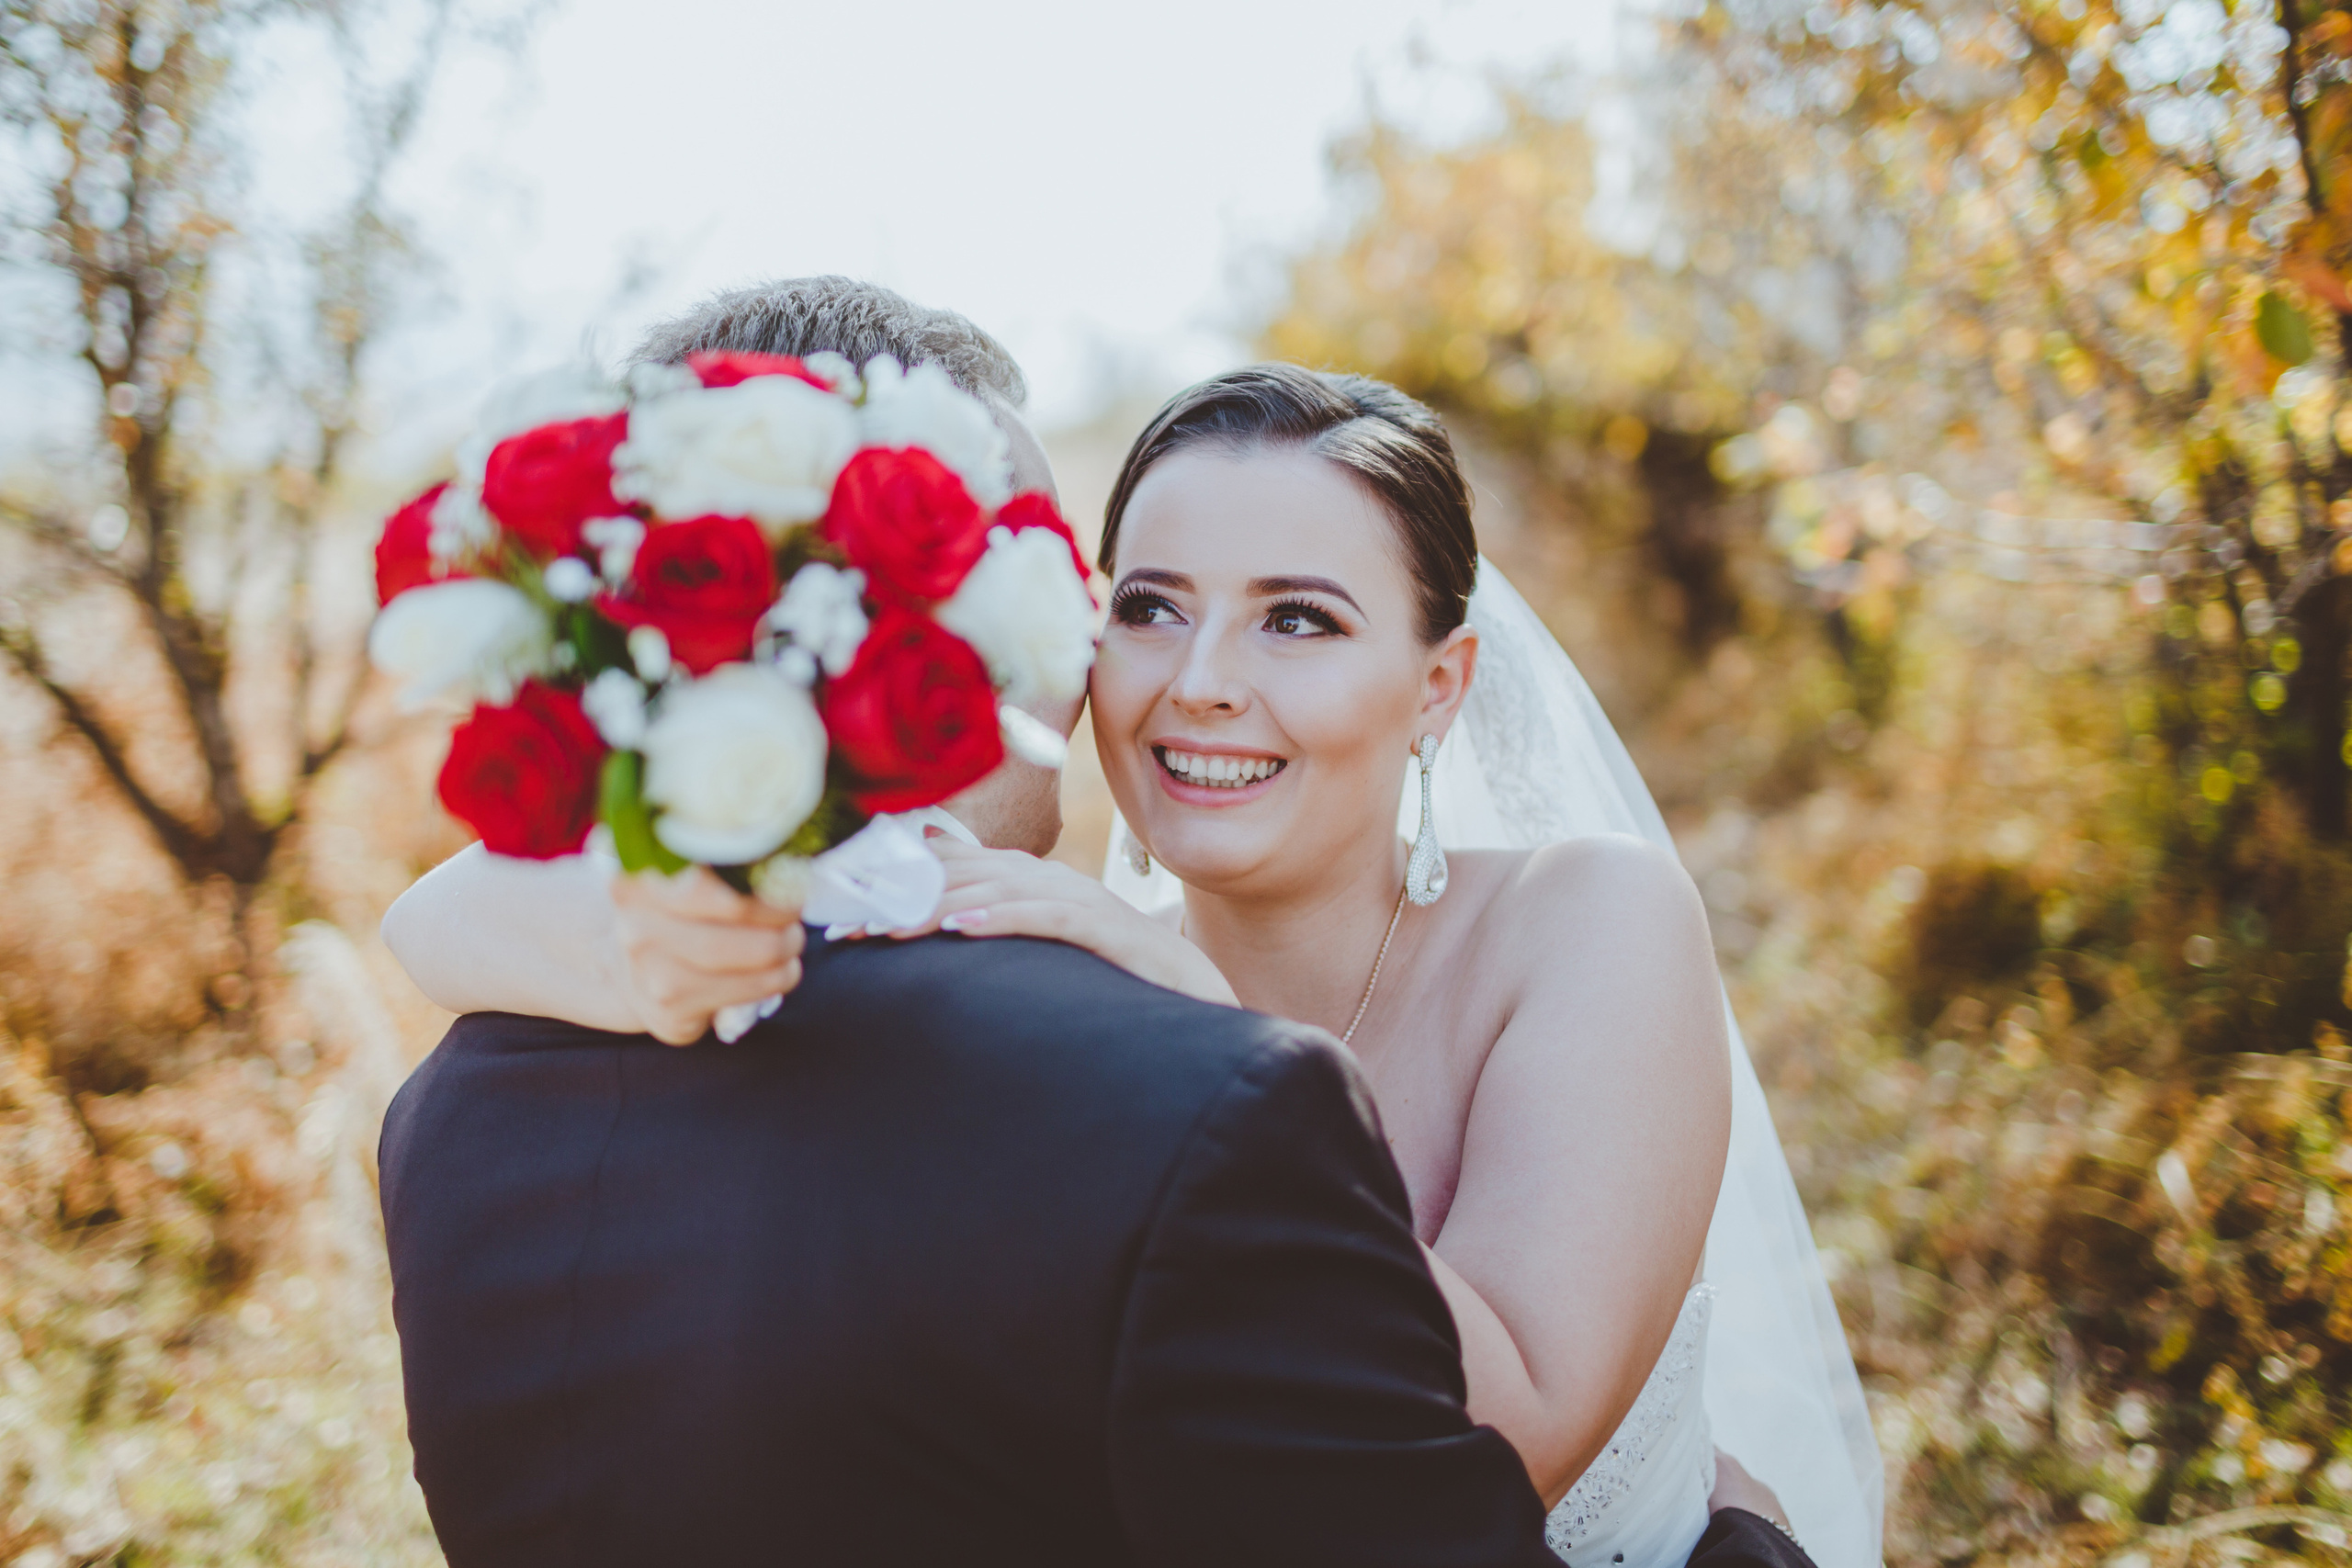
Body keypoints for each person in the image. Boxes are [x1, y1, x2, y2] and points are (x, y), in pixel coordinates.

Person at [382, 277, 1860, 1566]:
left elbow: (1513, 1438)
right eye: (1150, 605)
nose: (1200, 679)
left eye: (1300, 618)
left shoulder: (1576, 918)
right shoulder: (1074, 976)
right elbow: (463, 913)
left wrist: (1206, 1019)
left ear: (1440, 688)